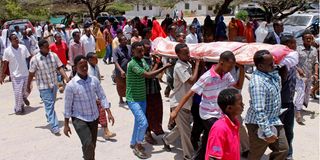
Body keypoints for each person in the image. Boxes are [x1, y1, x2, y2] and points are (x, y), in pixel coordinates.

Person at [170, 51, 245, 160]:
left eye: (233, 67)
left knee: (206, 143)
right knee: (222, 134)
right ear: (221, 62)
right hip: (208, 114)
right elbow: (189, 93)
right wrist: (175, 111)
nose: (230, 69)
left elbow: (238, 86)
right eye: (229, 66)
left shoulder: (226, 75)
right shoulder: (207, 77)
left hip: (219, 113)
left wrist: (241, 69)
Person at [63, 55, 115, 160]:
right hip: (79, 118)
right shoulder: (71, 85)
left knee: (92, 144)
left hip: (94, 117)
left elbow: (102, 96)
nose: (85, 68)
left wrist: (109, 112)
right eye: (81, 66)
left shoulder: (94, 80)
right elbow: (67, 106)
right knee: (88, 144)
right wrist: (66, 125)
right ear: (75, 68)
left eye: (86, 65)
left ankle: (88, 156)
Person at [126, 41, 171, 159]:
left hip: (142, 98)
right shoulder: (132, 64)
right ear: (133, 51)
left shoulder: (142, 61)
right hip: (133, 99)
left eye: (142, 51)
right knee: (144, 122)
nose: (142, 53)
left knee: (138, 122)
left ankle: (133, 142)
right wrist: (165, 67)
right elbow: (148, 75)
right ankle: (138, 145)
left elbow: (151, 72)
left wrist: (157, 63)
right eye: (139, 51)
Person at [245, 50, 289, 160]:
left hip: (274, 120)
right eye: (270, 64)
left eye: (273, 62)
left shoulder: (271, 74)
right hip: (258, 124)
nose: (273, 65)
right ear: (260, 66)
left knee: (283, 149)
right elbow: (259, 110)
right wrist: (267, 132)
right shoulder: (258, 83)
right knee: (255, 155)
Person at [162, 43, 200, 160]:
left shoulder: (186, 63)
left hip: (186, 103)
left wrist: (193, 65)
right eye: (185, 53)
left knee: (182, 127)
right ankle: (188, 156)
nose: (188, 55)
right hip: (179, 103)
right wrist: (197, 65)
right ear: (178, 55)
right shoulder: (179, 66)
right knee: (186, 132)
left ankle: (166, 139)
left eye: (188, 52)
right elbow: (192, 80)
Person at [27, 39, 70, 135]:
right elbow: (31, 73)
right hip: (43, 86)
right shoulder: (35, 59)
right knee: (49, 105)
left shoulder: (53, 55)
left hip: (53, 84)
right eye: (46, 47)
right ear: (41, 48)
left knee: (51, 103)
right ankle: (54, 126)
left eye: (48, 46)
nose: (48, 48)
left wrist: (66, 78)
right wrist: (28, 85)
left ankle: (49, 115)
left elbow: (59, 67)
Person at [205, 88, 244, 160]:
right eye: (240, 103)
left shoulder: (235, 123)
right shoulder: (220, 129)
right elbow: (213, 157)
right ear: (229, 108)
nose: (243, 105)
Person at [86, 52, 116, 139]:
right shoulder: (88, 70)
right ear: (90, 60)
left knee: (101, 111)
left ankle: (106, 131)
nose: (97, 60)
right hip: (91, 96)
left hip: (97, 93)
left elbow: (98, 79)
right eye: (95, 58)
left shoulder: (95, 67)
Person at [0, 34, 31, 114]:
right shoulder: (7, 51)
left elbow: (29, 57)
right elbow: (4, 64)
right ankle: (19, 108)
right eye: (14, 39)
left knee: (28, 89)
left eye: (17, 38)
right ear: (11, 41)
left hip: (25, 73)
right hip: (15, 75)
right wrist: (2, 75)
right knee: (17, 93)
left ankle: (24, 97)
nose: (17, 39)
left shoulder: (23, 47)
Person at [142, 39, 165, 144]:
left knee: (157, 109)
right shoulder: (140, 60)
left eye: (148, 49)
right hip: (146, 90)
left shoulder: (151, 57)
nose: (147, 51)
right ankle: (147, 133)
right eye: (145, 49)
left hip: (155, 88)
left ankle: (156, 127)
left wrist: (159, 62)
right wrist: (157, 64)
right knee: (148, 112)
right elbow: (149, 74)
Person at [280, 35, 298, 159]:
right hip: (280, 103)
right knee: (278, 131)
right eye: (292, 43)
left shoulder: (292, 60)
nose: (295, 45)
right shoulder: (281, 63)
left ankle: (288, 154)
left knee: (289, 131)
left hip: (290, 102)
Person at [295, 30, 319, 123]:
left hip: (309, 75)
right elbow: (294, 62)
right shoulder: (298, 49)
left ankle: (300, 106)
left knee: (306, 92)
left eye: (310, 38)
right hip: (299, 75)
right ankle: (298, 112)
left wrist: (316, 73)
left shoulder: (314, 50)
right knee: (301, 91)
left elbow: (316, 62)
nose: (309, 40)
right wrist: (298, 69)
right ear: (303, 39)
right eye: (306, 38)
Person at [113, 35, 131, 105]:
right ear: (120, 42)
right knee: (120, 85)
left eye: (126, 40)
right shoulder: (116, 50)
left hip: (128, 71)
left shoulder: (129, 47)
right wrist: (121, 71)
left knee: (128, 85)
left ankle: (128, 98)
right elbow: (115, 61)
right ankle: (120, 99)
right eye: (123, 40)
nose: (125, 41)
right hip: (119, 71)